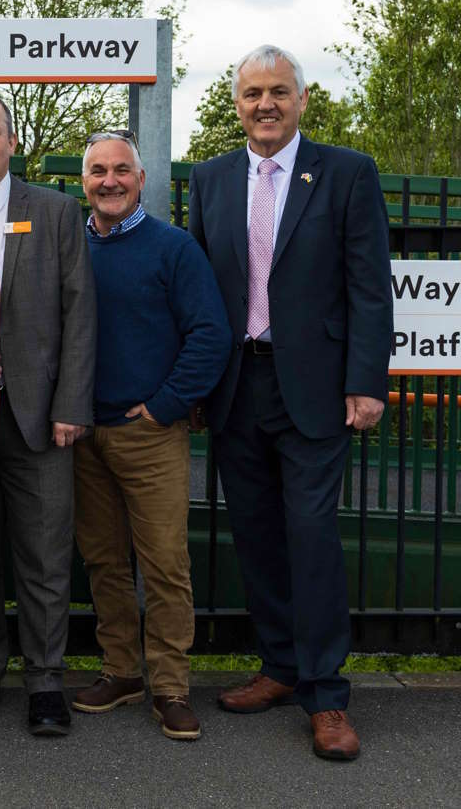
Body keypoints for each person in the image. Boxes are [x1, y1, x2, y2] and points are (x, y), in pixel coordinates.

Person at [187, 44, 393, 761]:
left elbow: (370, 284)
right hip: (237, 386)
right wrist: (194, 384)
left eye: (278, 91)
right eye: (252, 94)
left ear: (303, 100)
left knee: (311, 536)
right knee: (256, 536)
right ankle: (278, 667)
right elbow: (199, 296)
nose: (265, 104)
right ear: (237, 105)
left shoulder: (347, 172)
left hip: (316, 389)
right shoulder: (209, 180)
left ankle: (327, 694)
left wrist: (367, 380)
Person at [0, 92, 95, 736]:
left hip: (39, 420)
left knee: (43, 555)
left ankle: (46, 682)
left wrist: (71, 406)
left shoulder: (56, 212)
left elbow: (79, 314)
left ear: (11, 143)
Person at [70, 131, 230, 741]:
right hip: (82, 433)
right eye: (96, 171)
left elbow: (210, 336)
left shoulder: (173, 248)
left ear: (140, 179)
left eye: (120, 171)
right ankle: (121, 672)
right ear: (83, 181)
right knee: (104, 561)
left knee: (164, 564)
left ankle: (170, 687)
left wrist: (163, 408)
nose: (108, 181)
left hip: (149, 434)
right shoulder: (69, 246)